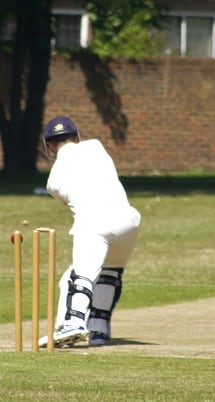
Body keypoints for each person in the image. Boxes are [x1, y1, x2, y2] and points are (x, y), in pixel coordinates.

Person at [38, 116, 141, 347]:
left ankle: (73, 323)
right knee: (109, 273)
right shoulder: (96, 146)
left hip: (94, 225)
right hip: (129, 221)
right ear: (76, 137)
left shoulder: (52, 182)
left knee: (79, 277)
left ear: (50, 146)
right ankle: (99, 329)